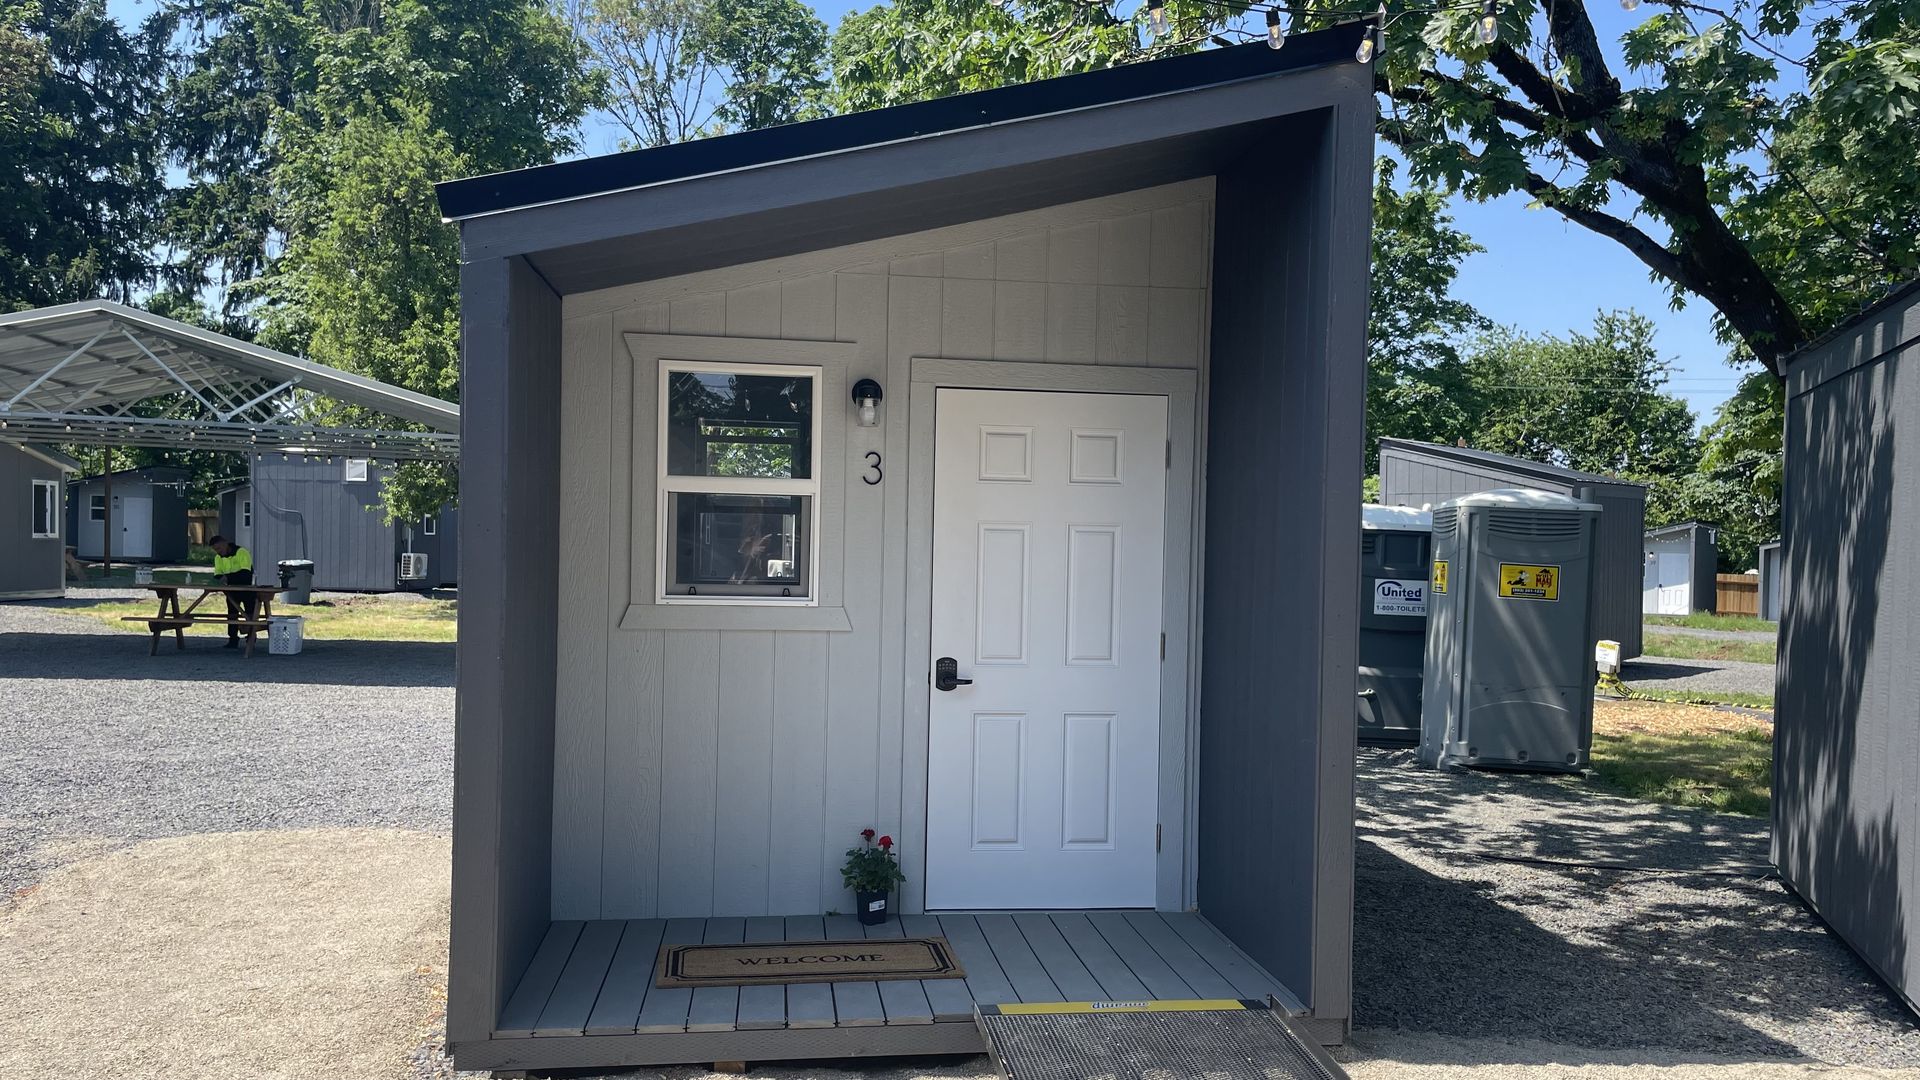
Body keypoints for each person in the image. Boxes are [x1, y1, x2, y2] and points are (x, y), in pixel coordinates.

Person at [208, 535, 256, 649]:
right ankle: (233, 639)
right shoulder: (218, 558)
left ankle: (251, 638)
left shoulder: (242, 552)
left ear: (225, 544)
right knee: (231, 615)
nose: (218, 552)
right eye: (215, 550)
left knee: (250, 614)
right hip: (231, 591)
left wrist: (227, 578)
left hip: (247, 589)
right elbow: (218, 574)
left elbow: (246, 573)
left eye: (219, 548)